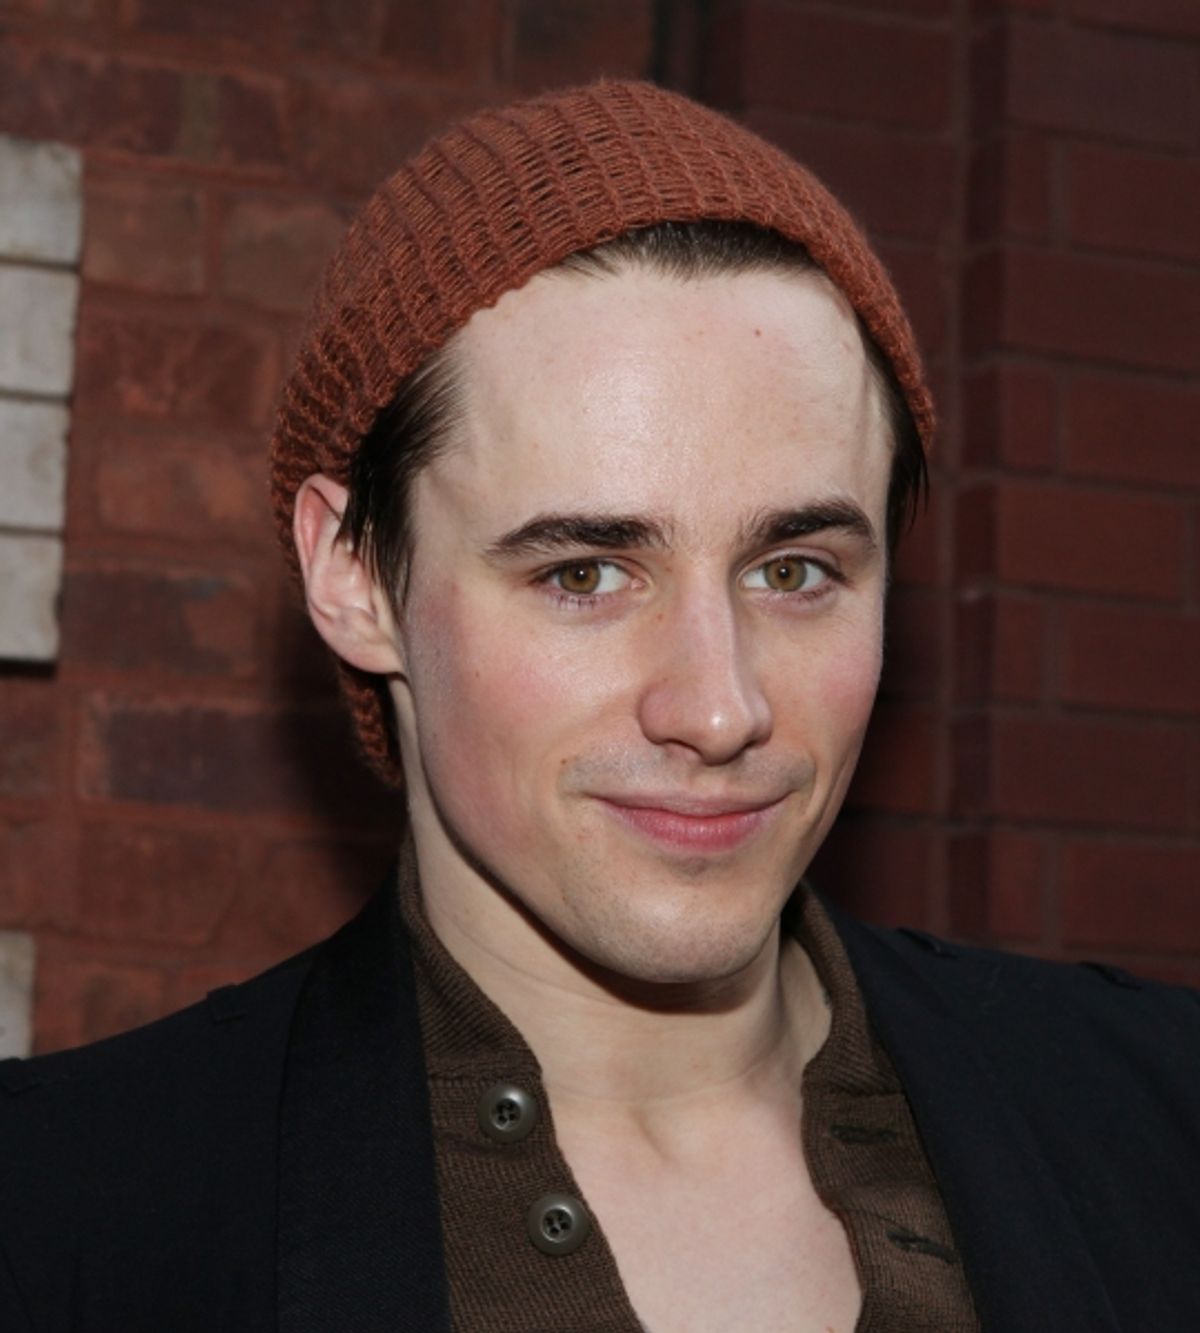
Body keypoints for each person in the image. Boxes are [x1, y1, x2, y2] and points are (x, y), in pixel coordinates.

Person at [1, 79, 1197, 1333]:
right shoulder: (65, 1225)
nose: (720, 707)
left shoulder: (1164, 1121)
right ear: (353, 575)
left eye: (795, 572)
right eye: (584, 574)